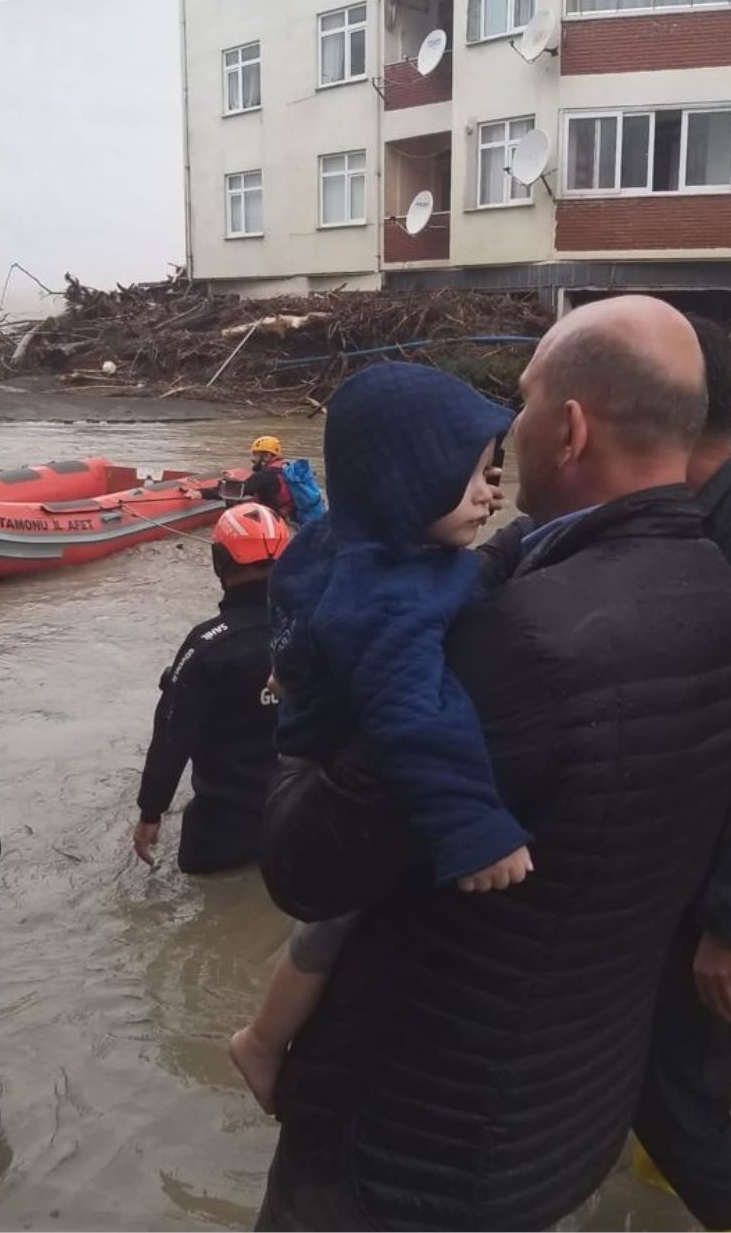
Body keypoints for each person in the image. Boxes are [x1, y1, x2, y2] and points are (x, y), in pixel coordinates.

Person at [254, 296, 731, 1233]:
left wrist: (293, 712)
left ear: (567, 430)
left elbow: (302, 868)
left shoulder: (520, 647)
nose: (507, 432)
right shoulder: (723, 594)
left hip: (415, 1148)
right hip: (569, 1111)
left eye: (520, 402)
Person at [229, 364, 530, 1111]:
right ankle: (261, 1043)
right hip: (325, 762)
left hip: (303, 732)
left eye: (496, 476)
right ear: (410, 483)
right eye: (478, 480)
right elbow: (419, 716)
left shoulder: (340, 535)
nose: (494, 494)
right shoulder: (389, 603)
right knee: (336, 924)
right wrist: (476, 830)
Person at [632, 315, 731, 1231]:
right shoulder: (705, 516)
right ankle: (651, 1186)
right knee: (676, 1066)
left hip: (712, 866)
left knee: (680, 1095)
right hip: (683, 854)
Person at [132, 503, 289, 875]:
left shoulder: (207, 645)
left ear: (220, 562)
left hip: (224, 829)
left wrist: (150, 813)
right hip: (299, 818)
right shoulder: (314, 626)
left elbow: (172, 735)